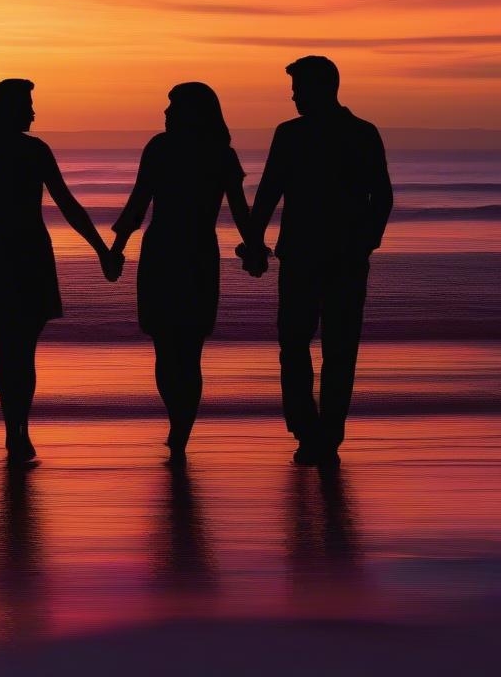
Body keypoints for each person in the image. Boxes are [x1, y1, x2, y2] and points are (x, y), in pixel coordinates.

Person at [0, 79, 122, 464]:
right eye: (28, 105)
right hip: (29, 252)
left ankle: (13, 430)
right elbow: (67, 202)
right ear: (11, 109)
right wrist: (102, 250)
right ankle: (20, 430)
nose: (33, 113)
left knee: (7, 348)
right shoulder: (33, 151)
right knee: (24, 351)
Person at [247, 56, 393, 467]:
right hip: (320, 255)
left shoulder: (317, 134)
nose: (294, 96)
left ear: (323, 88)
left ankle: (318, 432)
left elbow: (380, 196)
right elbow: (271, 191)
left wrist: (365, 242)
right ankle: (318, 431)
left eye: (299, 88)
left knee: (310, 344)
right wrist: (254, 239)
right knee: (323, 346)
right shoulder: (355, 133)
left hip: (321, 255)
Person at [109, 83, 266, 462]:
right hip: (189, 251)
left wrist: (116, 250)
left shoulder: (170, 149)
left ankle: (179, 428)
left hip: (170, 251)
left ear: (191, 111)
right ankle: (180, 425)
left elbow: (138, 204)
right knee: (180, 348)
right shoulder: (211, 153)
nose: (165, 113)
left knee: (172, 347)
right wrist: (255, 248)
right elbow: (140, 201)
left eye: (172, 106)